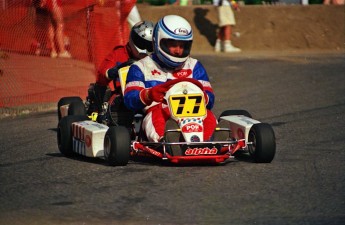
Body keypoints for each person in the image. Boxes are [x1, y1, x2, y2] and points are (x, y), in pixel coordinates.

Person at [124, 15, 218, 142]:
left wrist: (204, 97)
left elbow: (210, 99)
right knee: (156, 116)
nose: (178, 51)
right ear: (158, 41)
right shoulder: (140, 67)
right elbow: (129, 99)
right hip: (158, 111)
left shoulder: (195, 66)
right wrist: (148, 95)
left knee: (208, 116)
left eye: (182, 45)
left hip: (194, 112)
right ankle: (165, 140)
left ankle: (210, 140)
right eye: (173, 44)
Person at [95, 20, 154, 94]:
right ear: (134, 39)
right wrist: (114, 71)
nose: (145, 49)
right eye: (142, 43)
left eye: (149, 45)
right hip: (122, 96)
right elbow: (101, 76)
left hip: (149, 95)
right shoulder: (119, 53)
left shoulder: (155, 57)